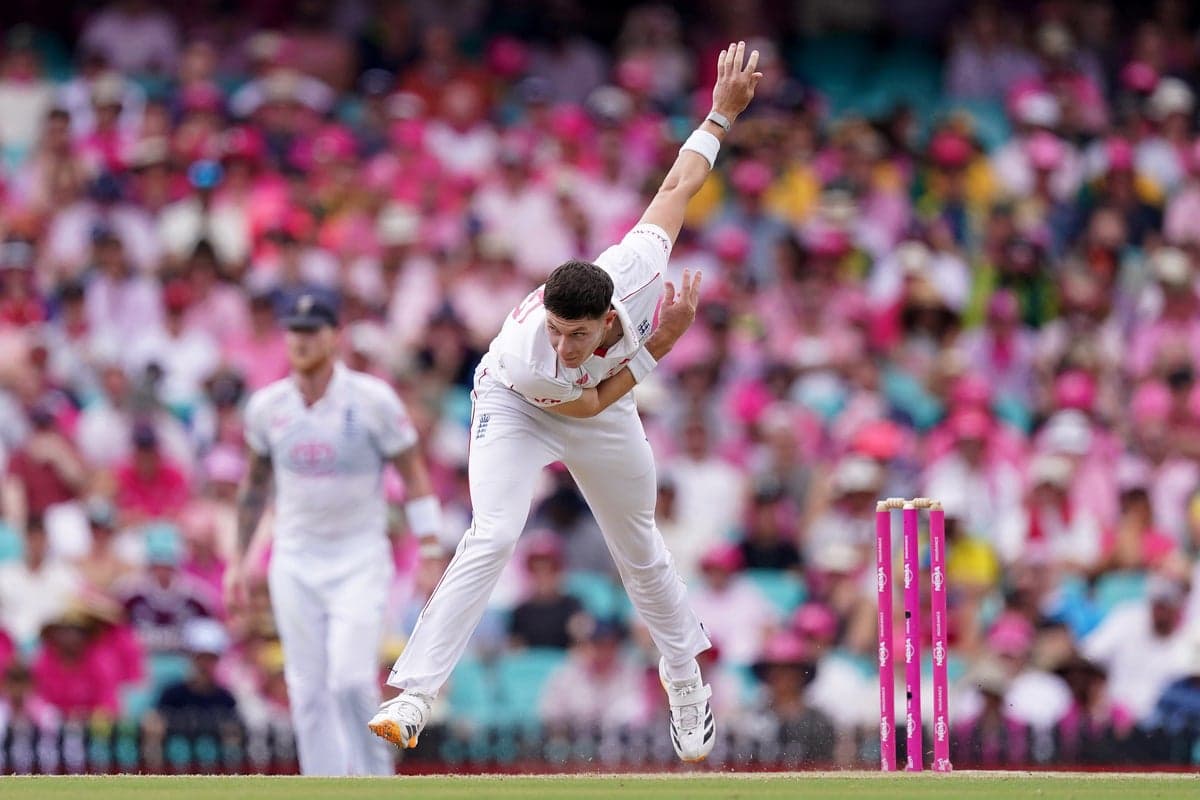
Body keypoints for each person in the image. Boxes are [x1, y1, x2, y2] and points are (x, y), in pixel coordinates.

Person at [370, 42, 762, 763]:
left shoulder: (638, 269)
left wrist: (719, 114)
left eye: (576, 333)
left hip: (604, 407)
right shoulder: (531, 350)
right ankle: (414, 697)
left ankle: (686, 685)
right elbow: (578, 403)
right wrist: (661, 347)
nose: (566, 342)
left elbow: (677, 186)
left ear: (608, 313)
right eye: (558, 329)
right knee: (491, 534)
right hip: (519, 405)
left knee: (638, 545)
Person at [225, 292, 442, 776]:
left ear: (334, 336)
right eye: (294, 332)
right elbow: (254, 488)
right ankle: (320, 786)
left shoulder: (372, 400)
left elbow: (414, 473)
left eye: (312, 331)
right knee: (306, 688)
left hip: (359, 557)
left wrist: (429, 547)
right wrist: (238, 563)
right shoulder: (267, 407)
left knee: (348, 680)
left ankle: (373, 782)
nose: (301, 341)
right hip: (295, 559)